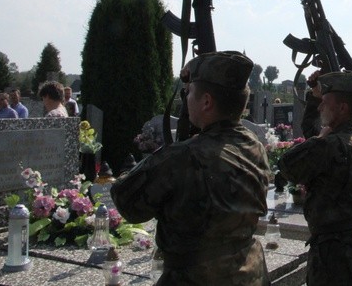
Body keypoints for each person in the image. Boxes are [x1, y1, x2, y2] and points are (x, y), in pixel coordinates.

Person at [112, 51, 270, 285]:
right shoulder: (254, 146)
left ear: (206, 102)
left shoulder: (182, 157)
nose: (185, 99)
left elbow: (127, 202)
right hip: (249, 272)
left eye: (189, 93)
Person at [279, 71, 352, 286]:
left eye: (324, 102)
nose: (320, 107)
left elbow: (287, 165)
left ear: (342, 108)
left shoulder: (331, 145)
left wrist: (318, 140)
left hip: (334, 252)